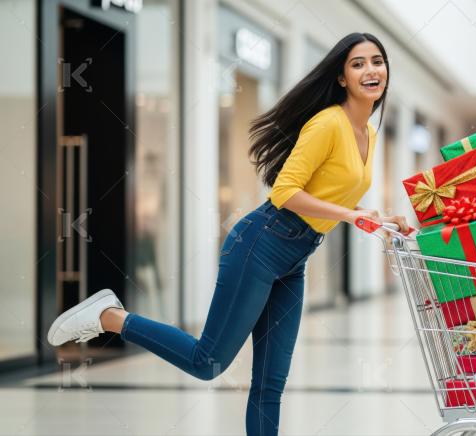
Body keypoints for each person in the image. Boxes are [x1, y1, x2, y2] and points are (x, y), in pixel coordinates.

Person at [46, 32, 407, 435]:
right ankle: (109, 316)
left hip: (294, 257)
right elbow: (286, 192)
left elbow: (326, 192)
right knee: (207, 361)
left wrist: (374, 216)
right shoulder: (327, 123)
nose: (371, 70)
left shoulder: (370, 133)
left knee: (271, 382)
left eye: (377, 61)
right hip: (261, 242)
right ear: (341, 77)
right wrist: (350, 216)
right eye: (358, 63)